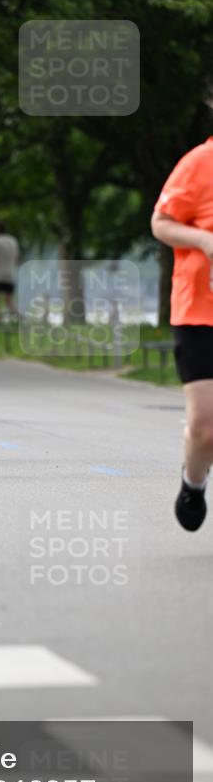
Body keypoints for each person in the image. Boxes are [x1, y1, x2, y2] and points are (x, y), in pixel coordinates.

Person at [151, 136, 213, 532]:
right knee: (206, 425)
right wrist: (204, 239)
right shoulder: (200, 161)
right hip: (199, 310)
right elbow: (161, 222)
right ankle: (193, 482)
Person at [0, 222, 20, 319]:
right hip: (10, 275)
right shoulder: (13, 241)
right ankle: (19, 319)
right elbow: (17, 259)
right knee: (9, 301)